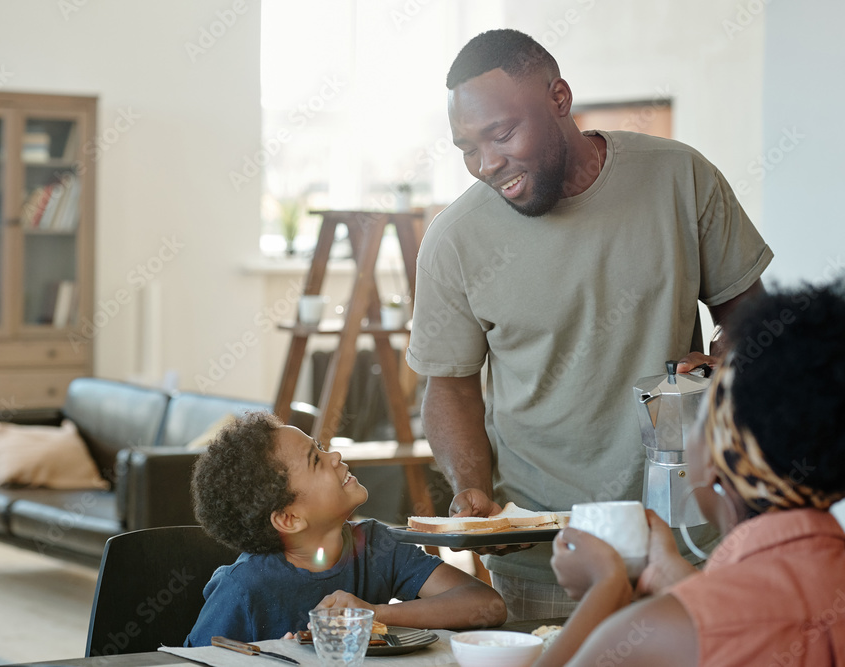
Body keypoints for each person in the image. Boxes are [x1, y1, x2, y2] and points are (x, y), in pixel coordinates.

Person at [405, 28, 773, 620]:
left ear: (559, 98)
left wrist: (728, 357)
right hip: (545, 558)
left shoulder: (680, 177)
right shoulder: (455, 241)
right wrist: (470, 488)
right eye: (466, 148)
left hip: (691, 543)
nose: (486, 164)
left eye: (500, 134)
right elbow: (449, 386)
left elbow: (751, 316)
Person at [534, 281, 845, 665]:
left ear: (720, 456)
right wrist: (667, 572)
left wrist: (606, 587)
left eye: (698, 420)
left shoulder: (656, 633)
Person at [184, 412, 505, 646]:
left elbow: (488, 606)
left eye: (321, 446)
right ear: (289, 518)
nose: (335, 456)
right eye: (315, 460)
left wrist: (375, 614)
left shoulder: (377, 545)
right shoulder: (243, 588)